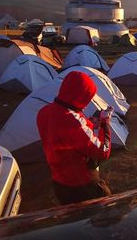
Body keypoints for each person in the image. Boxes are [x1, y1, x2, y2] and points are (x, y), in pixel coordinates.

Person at [37, 71, 113, 205]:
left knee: (74, 221)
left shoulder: (44, 112)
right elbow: (103, 151)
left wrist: (91, 124)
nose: (88, 102)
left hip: (60, 184)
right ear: (81, 95)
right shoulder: (72, 121)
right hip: (83, 186)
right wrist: (105, 125)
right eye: (88, 97)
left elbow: (66, 137)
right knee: (102, 216)